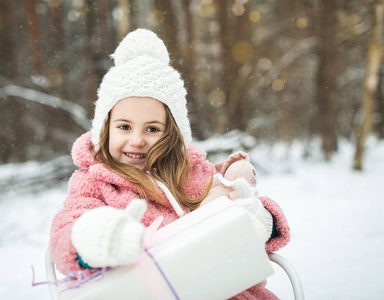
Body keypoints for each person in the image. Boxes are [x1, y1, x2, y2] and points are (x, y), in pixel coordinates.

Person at [49, 28, 290, 299]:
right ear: (104, 129)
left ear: (172, 133)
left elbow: (248, 214)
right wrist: (96, 238)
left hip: (226, 289)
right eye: (124, 126)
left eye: (152, 129)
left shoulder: (194, 172)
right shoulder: (93, 184)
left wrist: (257, 217)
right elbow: (65, 234)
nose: (137, 140)